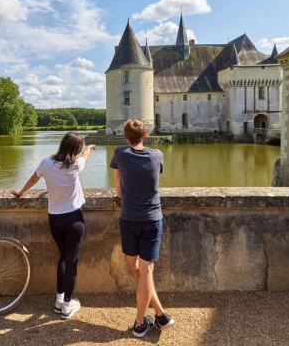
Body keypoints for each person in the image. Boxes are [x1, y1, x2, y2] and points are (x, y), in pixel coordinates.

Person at [11, 132, 96, 320]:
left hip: (55, 219)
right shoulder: (75, 164)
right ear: (76, 149)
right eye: (80, 147)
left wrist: (21, 192)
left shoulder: (46, 163)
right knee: (71, 261)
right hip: (74, 219)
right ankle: (67, 306)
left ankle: (59, 301)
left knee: (63, 259)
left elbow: (34, 179)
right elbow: (84, 157)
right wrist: (89, 148)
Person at [110, 119, 174, 338]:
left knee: (135, 266)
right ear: (145, 134)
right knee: (146, 271)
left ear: (125, 136)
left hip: (129, 218)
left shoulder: (119, 153)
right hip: (152, 218)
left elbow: (118, 189)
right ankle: (160, 314)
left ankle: (140, 324)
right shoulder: (157, 155)